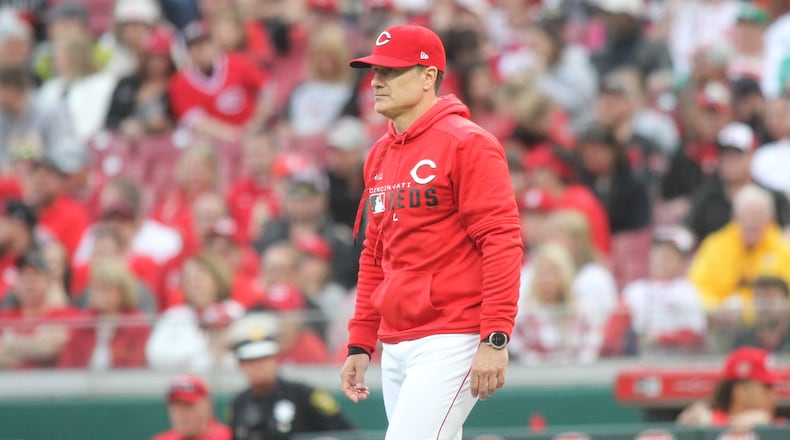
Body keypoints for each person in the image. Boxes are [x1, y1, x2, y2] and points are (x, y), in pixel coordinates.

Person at [339, 25, 522, 439]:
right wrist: (360, 342)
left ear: (427, 76)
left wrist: (494, 337)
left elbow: (501, 240)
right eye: (374, 72)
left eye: (391, 72)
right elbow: (375, 255)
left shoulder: (468, 143)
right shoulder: (379, 153)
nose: (376, 82)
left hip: (452, 335)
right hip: (397, 340)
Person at [228, 313, 353, 439]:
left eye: (265, 359)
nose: (259, 367)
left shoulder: (303, 396)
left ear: (276, 359)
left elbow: (345, 433)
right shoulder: (239, 404)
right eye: (251, 362)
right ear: (241, 366)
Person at [622, 226, 707, 354]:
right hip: (638, 358)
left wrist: (661, 338)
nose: (662, 259)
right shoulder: (634, 290)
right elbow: (617, 331)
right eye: (659, 253)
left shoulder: (687, 291)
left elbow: (695, 336)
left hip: (676, 362)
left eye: (669, 255)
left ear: (681, 261)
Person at [677, 347, 781, 431]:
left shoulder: (778, 424)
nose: (773, 396)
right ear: (740, 391)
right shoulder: (702, 420)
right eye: (767, 388)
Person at [151, 373, 232, 440]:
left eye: (187, 406)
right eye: (175, 408)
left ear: (208, 406)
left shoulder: (231, 436)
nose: (181, 415)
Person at [733, 276, 790, 353]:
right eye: (759, 299)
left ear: (786, 303)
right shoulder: (742, 339)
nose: (764, 306)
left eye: (770, 299)